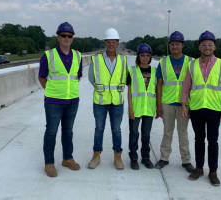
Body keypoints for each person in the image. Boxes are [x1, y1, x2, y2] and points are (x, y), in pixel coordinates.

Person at [181, 30, 221, 186]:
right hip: (196, 108)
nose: (207, 47)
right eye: (204, 45)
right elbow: (187, 86)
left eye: (210, 45)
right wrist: (184, 104)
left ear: (214, 47)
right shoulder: (192, 65)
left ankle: (213, 171)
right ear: (199, 48)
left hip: (214, 109)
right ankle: (198, 168)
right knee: (198, 139)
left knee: (213, 140)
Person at [38, 22, 82, 177]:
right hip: (53, 102)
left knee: (68, 131)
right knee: (51, 132)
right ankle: (49, 163)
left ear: (72, 38)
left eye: (69, 36)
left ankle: (67, 158)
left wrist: (68, 91)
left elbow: (77, 77)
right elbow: (41, 77)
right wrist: (52, 91)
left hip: (72, 101)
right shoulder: (48, 55)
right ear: (58, 37)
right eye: (63, 35)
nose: (66, 38)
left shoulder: (77, 55)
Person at [155, 31, 195, 173]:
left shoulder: (191, 62)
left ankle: (186, 160)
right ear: (169, 46)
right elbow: (159, 84)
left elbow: (194, 84)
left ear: (183, 45)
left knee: (183, 133)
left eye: (178, 44)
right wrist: (158, 105)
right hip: (167, 103)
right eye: (172, 44)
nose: (175, 46)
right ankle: (164, 158)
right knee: (167, 132)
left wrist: (192, 105)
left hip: (185, 104)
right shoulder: (163, 62)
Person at [88, 28, 127, 170]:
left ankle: (118, 156)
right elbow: (91, 78)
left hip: (117, 101)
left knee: (116, 130)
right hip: (100, 101)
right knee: (99, 129)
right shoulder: (96, 59)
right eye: (108, 41)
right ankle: (96, 156)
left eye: (114, 42)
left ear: (118, 44)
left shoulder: (123, 60)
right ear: (104, 43)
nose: (111, 44)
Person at [127, 43, 156, 170]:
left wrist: (158, 107)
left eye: (147, 55)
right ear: (138, 56)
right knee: (134, 133)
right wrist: (130, 108)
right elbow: (129, 91)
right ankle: (133, 158)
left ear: (150, 57)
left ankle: (146, 158)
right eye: (142, 55)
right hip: (136, 107)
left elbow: (157, 90)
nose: (145, 57)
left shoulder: (155, 71)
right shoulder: (132, 70)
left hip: (149, 108)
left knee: (146, 135)